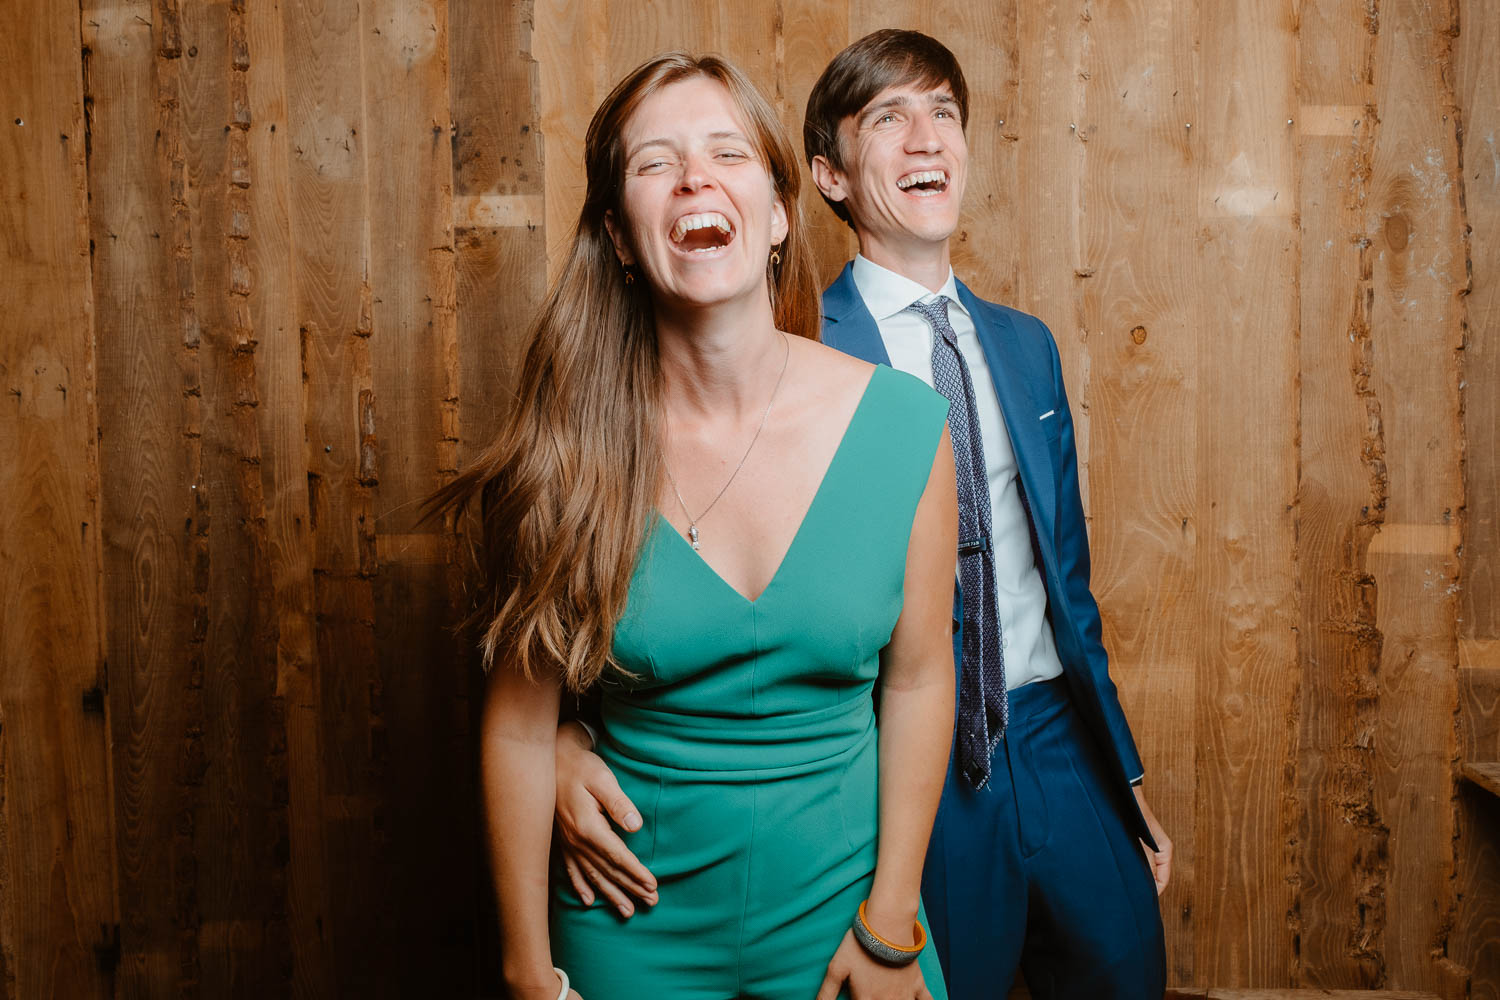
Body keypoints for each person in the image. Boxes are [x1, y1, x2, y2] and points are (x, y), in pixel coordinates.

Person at [552, 31, 1173, 1000]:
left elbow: (1065, 581)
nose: (927, 137)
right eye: (890, 116)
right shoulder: (782, 341)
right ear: (825, 181)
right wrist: (564, 738)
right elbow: (680, 573)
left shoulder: (1026, 346)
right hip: (898, 751)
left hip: (1056, 736)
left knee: (1126, 969)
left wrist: (1120, 771)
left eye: (945, 114)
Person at [433, 51, 958, 1000]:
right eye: (655, 163)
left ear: (779, 216)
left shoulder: (907, 427)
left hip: (846, 922)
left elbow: (920, 680)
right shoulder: (566, 451)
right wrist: (526, 976)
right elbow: (518, 729)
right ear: (622, 239)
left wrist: (890, 928)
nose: (694, 178)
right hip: (630, 927)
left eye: (727, 152)